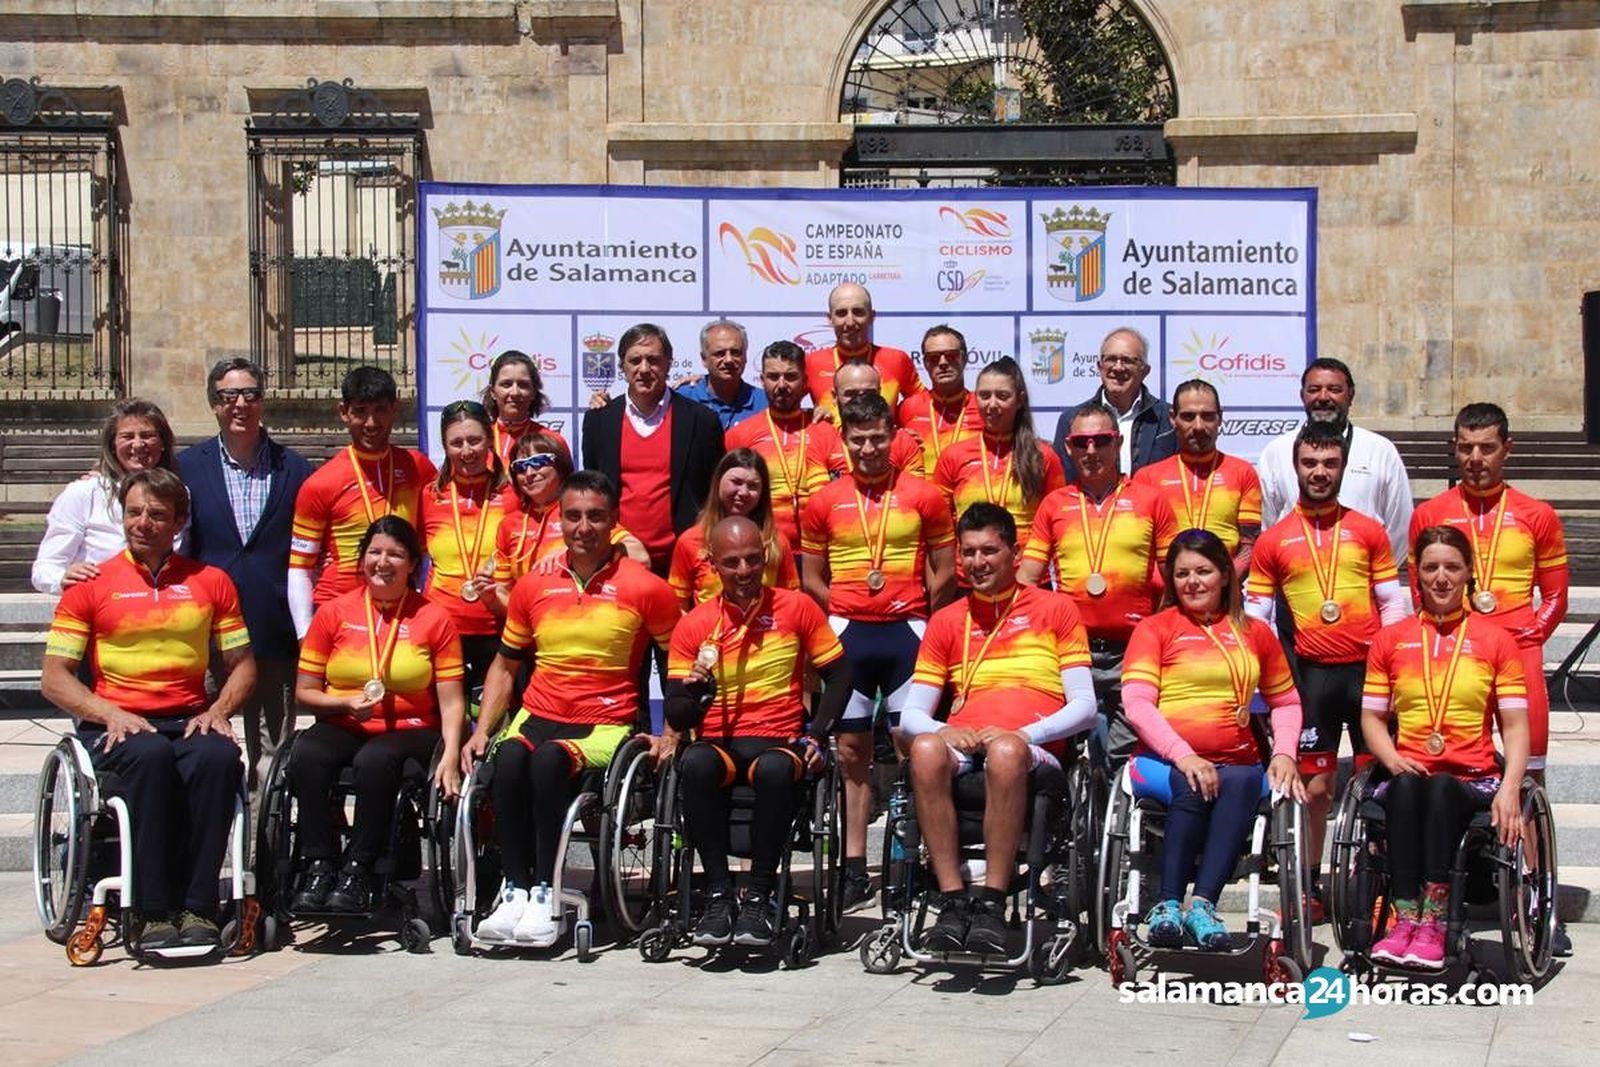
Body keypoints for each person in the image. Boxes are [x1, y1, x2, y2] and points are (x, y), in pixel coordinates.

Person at [40, 468, 256, 951]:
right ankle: (152, 909)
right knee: (151, 758)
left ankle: (199, 905)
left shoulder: (211, 582)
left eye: (157, 515)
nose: (143, 523)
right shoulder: (90, 586)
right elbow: (53, 678)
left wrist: (220, 709)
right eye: (134, 512)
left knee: (219, 761)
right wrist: (107, 712)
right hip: (118, 722)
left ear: (178, 521)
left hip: (189, 715)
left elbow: (242, 667)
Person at [464, 471, 680, 947]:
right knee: (507, 760)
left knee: (547, 761)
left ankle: (546, 892)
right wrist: (483, 729)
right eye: (574, 516)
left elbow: (676, 664)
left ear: (614, 522)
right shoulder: (532, 585)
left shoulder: (646, 587)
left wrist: (673, 730)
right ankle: (515, 890)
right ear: (559, 519)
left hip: (604, 721)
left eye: (596, 517)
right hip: (539, 711)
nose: (584, 527)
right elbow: (504, 666)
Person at [1406, 402, 1571, 955]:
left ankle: (1534, 894)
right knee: (1444, 763)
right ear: (1454, 449)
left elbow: (1556, 595)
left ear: (1507, 449)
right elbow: (1418, 588)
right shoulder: (1430, 512)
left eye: (1487, 447)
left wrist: (1528, 637)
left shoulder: (1537, 513)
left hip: (1516, 651)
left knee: (1531, 777)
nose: (1475, 458)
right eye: (1465, 447)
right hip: (1454, 654)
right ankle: (1429, 889)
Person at [900, 503, 1097, 954]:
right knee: (925, 748)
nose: (977, 562)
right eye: (968, 552)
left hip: (1032, 745)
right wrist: (943, 731)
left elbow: (1085, 707)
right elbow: (912, 713)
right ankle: (951, 900)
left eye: (989, 551)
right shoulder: (948, 619)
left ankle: (991, 901)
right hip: (965, 744)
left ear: (1015, 553)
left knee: (1006, 751)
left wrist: (1026, 734)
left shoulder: (1056, 609)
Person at [1244, 422, 1410, 919]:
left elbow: (1393, 607)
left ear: (1342, 467)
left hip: (1366, 677)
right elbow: (1258, 619)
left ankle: (1381, 885)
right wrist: (1269, 684)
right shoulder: (1274, 540)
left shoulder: (1368, 530)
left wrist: (1393, 666)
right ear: (1295, 466)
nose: (1319, 473)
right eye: (1310, 463)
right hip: (1310, 678)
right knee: (1315, 789)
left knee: (1380, 785)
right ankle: (1312, 889)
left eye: (1329, 464)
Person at [799, 392, 956, 911]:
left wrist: (923, 617)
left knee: (915, 748)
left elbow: (944, 568)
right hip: (849, 634)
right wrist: (842, 610)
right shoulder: (823, 500)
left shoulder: (924, 495)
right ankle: (852, 867)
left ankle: (909, 858)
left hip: (907, 632)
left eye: (878, 438)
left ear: (896, 439)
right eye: (858, 438)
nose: (868, 448)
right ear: (844, 441)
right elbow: (811, 577)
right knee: (850, 754)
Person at [665, 516, 852, 947]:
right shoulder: (695, 624)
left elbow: (840, 676)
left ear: (766, 554)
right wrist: (696, 693)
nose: (745, 572)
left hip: (778, 740)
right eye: (732, 563)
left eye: (753, 559)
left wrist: (817, 733)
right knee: (693, 763)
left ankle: (760, 897)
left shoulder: (796, 606)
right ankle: (717, 895)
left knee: (772, 771)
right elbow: (677, 714)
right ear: (712, 564)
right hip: (722, 745)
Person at [1121, 529, 1306, 951]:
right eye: (1182, 573)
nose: (1192, 582)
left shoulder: (1256, 632)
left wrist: (1284, 752)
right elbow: (1137, 704)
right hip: (1161, 762)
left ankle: (1202, 906)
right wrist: (1185, 756)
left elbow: (1288, 702)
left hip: (1237, 763)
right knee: (1192, 781)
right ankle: (1168, 905)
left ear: (1225, 574)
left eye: (1203, 571)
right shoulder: (1155, 629)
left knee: (1242, 780)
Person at [1362, 525, 1529, 970]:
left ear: (1469, 573)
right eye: (1431, 567)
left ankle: (1433, 923)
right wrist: (1392, 758)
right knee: (1407, 787)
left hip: (1472, 777)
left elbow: (1514, 727)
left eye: (1452, 567)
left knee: (1437, 788)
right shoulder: (1390, 640)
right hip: (1407, 772)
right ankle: (1404, 919)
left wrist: (1511, 788)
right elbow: (1372, 719)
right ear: (1416, 574)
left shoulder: (1497, 641)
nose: (1441, 578)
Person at [289, 516, 467, 913]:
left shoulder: (434, 618)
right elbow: (305, 692)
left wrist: (452, 754)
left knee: (375, 760)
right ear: (362, 558)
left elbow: (452, 702)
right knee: (307, 755)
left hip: (412, 728)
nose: (383, 562)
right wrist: (345, 702)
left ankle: (360, 867)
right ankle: (319, 862)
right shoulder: (334, 613)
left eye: (395, 554)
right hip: (345, 721)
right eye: (375, 552)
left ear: (413, 564)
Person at [176, 359, 312, 788]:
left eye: (249, 394)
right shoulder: (187, 468)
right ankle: (218, 845)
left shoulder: (296, 469)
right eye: (227, 396)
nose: (240, 404)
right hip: (209, 632)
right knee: (208, 741)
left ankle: (263, 851)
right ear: (213, 405)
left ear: (263, 401)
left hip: (273, 630)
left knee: (273, 754)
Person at [1019, 403, 1177, 766]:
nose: (1091, 451)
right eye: (1081, 442)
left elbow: (1174, 577)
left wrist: (1162, 630)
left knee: (1125, 754)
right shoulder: (1053, 504)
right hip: (1072, 650)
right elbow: (1028, 579)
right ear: (1070, 448)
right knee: (1061, 750)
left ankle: (1116, 819)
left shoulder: (1151, 500)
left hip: (1133, 648)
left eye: (1101, 441)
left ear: (1118, 443)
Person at [289, 366, 437, 636]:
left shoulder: (419, 469)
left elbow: (430, 547)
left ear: (395, 409)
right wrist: (305, 634)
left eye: (380, 409)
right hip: (338, 612)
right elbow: (300, 568)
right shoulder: (321, 483)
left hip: (403, 609)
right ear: (343, 412)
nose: (371, 422)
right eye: (360, 411)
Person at [581, 322, 725, 575]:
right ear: (622, 366)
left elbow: (713, 492)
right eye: (635, 360)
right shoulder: (599, 420)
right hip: (618, 559)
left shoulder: (702, 421)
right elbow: (595, 490)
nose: (644, 369)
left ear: (669, 363)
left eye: (653, 360)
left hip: (684, 562)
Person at [1257, 357, 1413, 566]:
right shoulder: (1277, 451)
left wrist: (1373, 574)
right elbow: (1267, 524)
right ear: (1302, 396)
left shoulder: (1380, 450)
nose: (1323, 397)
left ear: (1351, 395)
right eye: (1314, 389)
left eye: (1334, 389)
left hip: (1362, 582)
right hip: (1295, 580)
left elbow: (1400, 526)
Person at [487, 431, 648, 612]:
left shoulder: (578, 513)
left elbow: (641, 557)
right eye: (520, 467)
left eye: (539, 462)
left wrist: (569, 552)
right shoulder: (509, 524)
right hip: (533, 629)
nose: (530, 473)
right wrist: (491, 599)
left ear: (560, 466)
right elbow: (505, 596)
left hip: (584, 621)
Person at [33, 397, 178, 594]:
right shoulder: (85, 492)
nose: (138, 444)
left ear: (162, 443)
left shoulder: (179, 493)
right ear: (112, 445)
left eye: (147, 435)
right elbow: (45, 569)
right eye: (127, 437)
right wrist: (62, 578)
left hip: (166, 608)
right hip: (102, 606)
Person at [418, 401, 511, 695]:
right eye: (456, 443)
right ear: (445, 446)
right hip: (443, 629)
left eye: (475, 440)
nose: (467, 451)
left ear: (490, 439)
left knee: (493, 727)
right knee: (446, 725)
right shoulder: (430, 496)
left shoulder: (513, 494)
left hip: (498, 628)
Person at [933, 356, 1065, 554]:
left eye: (1002, 396)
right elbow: (940, 527)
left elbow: (1056, 521)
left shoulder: (1043, 456)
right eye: (984, 395)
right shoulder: (953, 456)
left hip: (1025, 574)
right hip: (969, 575)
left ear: (1020, 399)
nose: (992, 404)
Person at [1132, 380, 1261, 573]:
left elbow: (1249, 546)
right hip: (1165, 597)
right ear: (1172, 419)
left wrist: (1222, 586)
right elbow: (1140, 550)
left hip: (1226, 595)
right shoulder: (1147, 477)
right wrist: (1174, 588)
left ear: (1220, 418)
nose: (1198, 426)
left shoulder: (1243, 472)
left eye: (1207, 416)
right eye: (1188, 417)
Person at [723, 339, 829, 553]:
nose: (782, 385)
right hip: (765, 550)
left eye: (790, 377)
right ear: (762, 380)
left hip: (821, 552)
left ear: (805, 382)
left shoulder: (827, 429)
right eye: (773, 377)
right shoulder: (740, 434)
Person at [668, 448, 799, 611]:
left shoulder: (776, 542)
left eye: (753, 486)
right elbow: (677, 607)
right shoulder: (690, 541)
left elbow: (792, 602)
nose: (743, 492)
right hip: (710, 634)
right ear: (718, 482)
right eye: (736, 482)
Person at [1049, 327, 1175, 481]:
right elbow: (1063, 480)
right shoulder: (1071, 420)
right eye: (1111, 359)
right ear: (1099, 367)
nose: (1118, 367)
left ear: (1145, 370)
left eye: (1128, 360)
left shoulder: (1168, 418)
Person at [803, 282, 924, 419]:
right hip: (831, 441)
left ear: (872, 317)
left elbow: (925, 405)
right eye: (841, 313)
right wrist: (809, 417)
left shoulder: (896, 360)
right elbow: (785, 407)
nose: (850, 322)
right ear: (830, 319)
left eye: (858, 312)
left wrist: (908, 427)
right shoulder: (811, 363)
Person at [806, 361, 927, 479]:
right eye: (851, 394)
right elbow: (821, 497)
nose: (860, 399)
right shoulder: (819, 441)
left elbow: (914, 495)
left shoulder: (903, 442)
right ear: (835, 396)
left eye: (869, 393)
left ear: (880, 392)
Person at [897, 324, 983, 472]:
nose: (943, 363)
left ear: (965, 358)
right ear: (925, 363)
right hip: (922, 494)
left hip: (968, 493)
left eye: (951, 355)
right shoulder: (907, 408)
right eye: (934, 358)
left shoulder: (984, 406)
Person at [479, 349, 568, 466]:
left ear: (534, 392)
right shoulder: (476, 442)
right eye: (506, 384)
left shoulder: (552, 440)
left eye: (523, 385)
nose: (515, 392)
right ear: (493, 392)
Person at [677, 318, 767, 430]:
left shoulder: (765, 403)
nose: (728, 360)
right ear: (704, 359)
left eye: (735, 352)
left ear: (745, 356)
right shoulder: (682, 399)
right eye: (720, 353)